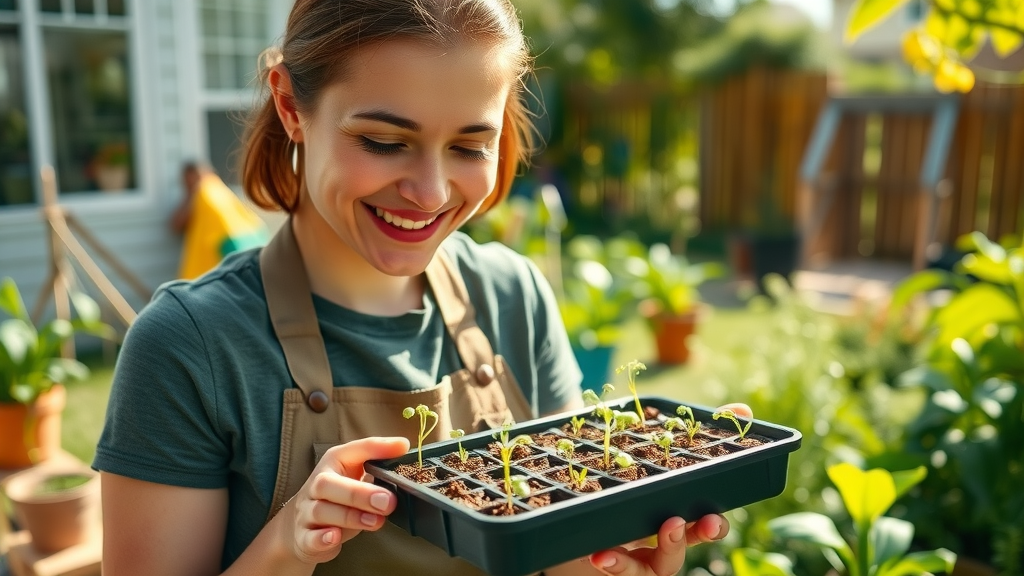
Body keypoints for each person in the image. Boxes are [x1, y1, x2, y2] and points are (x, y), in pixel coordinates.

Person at [95, 1, 749, 575]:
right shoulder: (190, 345)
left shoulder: (512, 298)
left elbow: (557, 557)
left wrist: (615, 559)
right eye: (384, 141)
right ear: (292, 105)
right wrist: (288, 546)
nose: (430, 193)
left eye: (468, 146)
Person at [169, 161, 269, 280]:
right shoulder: (220, 189)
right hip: (246, 248)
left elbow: (176, 224)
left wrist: (191, 194)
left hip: (224, 252)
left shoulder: (203, 192)